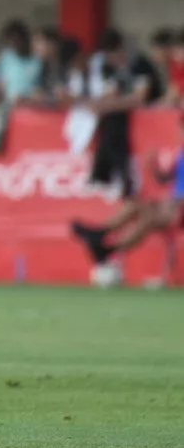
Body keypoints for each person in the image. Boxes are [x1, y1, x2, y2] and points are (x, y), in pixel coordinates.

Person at [69, 29, 159, 269]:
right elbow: (112, 94)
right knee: (142, 203)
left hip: (147, 140)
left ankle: (104, 242)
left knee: (149, 207)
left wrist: (105, 106)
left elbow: (139, 98)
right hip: (136, 144)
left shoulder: (139, 65)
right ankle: (102, 239)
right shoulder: (112, 69)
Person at [72, 113, 184, 286]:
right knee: (136, 204)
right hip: (172, 204)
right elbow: (168, 179)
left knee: (149, 218)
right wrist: (154, 167)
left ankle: (109, 250)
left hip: (178, 209)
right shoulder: (181, 154)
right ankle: (100, 233)